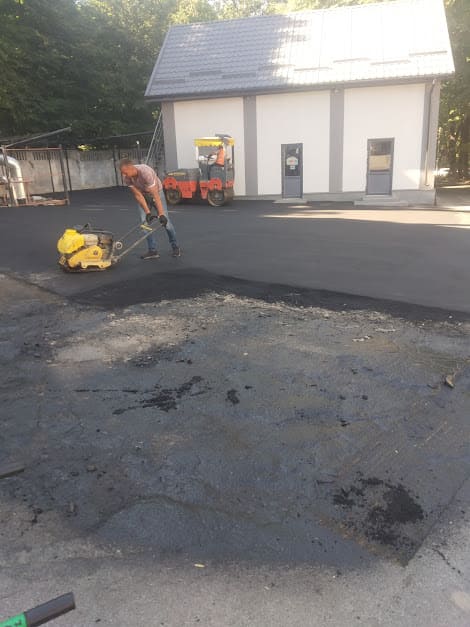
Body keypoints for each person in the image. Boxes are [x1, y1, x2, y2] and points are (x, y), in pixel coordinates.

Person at [119, 157, 181, 259]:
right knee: (145, 224)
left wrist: (161, 214)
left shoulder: (145, 172)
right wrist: (148, 212)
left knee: (166, 223)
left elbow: (155, 195)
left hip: (156, 193)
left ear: (131, 168)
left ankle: (175, 247)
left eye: (125, 172)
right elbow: (138, 195)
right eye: (123, 173)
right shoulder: (127, 179)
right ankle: (152, 250)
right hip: (143, 195)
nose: (124, 175)